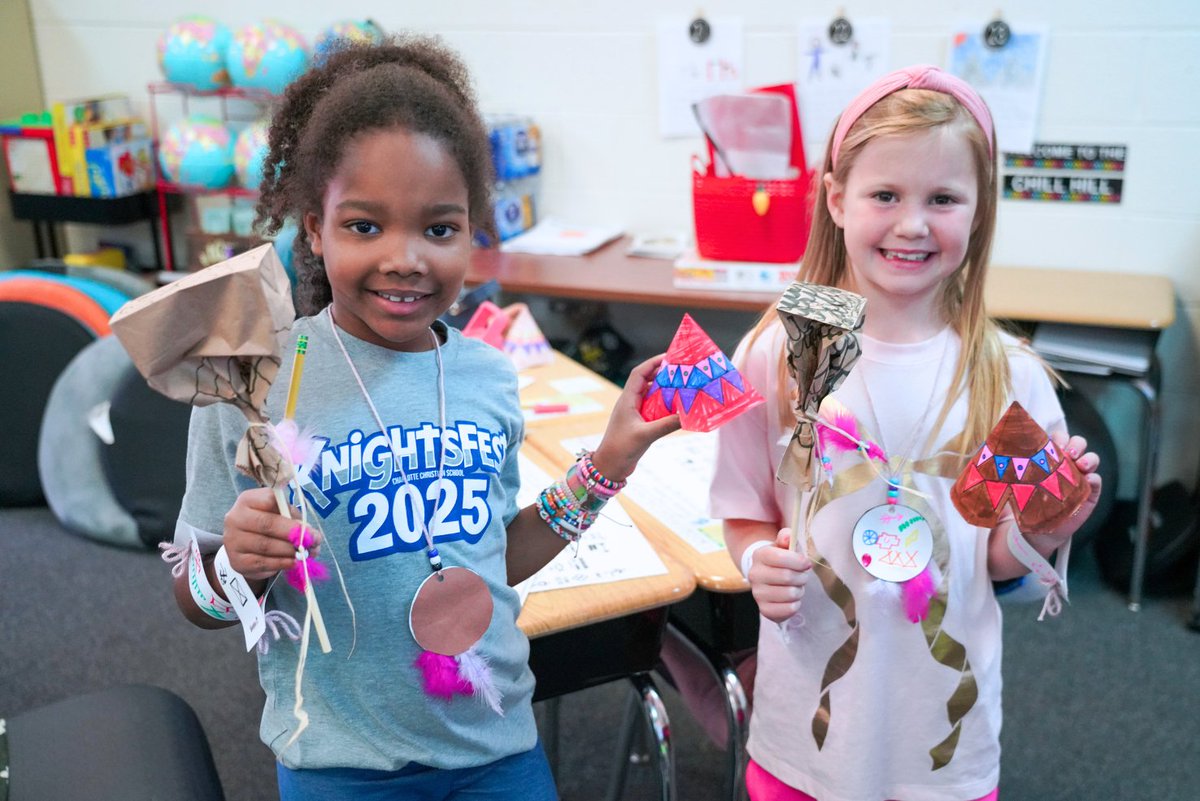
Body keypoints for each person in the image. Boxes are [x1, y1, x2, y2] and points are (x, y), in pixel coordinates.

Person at [169, 36, 679, 800]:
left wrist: (609, 463)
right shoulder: (253, 379)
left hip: (496, 746)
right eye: (365, 226)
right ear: (314, 227)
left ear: (473, 231)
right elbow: (191, 593)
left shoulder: (487, 378)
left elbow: (487, 560)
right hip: (340, 764)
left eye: (438, 229)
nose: (405, 258)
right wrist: (232, 564)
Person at [710, 66, 1103, 801]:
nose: (913, 223)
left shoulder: (1008, 375)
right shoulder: (780, 352)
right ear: (836, 199)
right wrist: (755, 555)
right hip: (806, 727)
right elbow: (744, 507)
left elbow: (997, 563)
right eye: (885, 194)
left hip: (939, 739)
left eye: (944, 198)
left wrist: (1046, 528)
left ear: (980, 210)